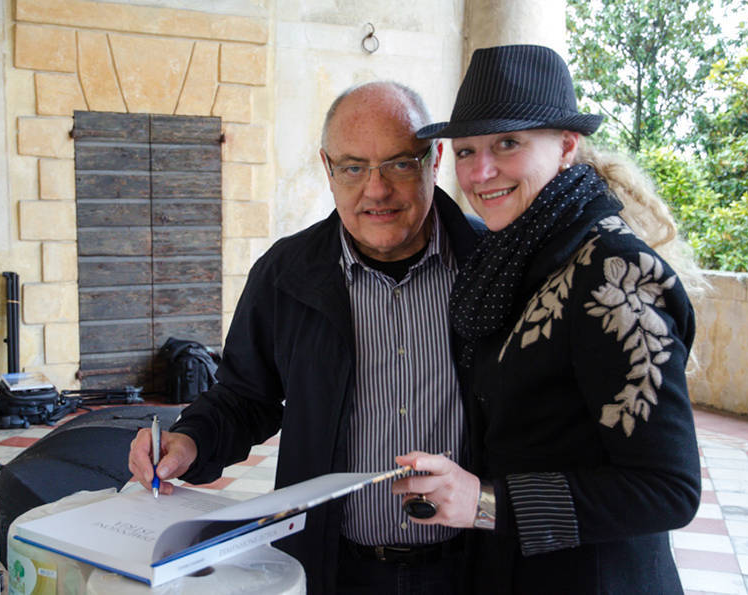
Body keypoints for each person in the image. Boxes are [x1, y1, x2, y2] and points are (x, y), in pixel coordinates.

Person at [129, 81, 485, 594]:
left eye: (399, 163)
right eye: (353, 167)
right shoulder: (285, 274)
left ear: (435, 160)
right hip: (330, 569)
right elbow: (243, 397)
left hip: (474, 569)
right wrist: (189, 441)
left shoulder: (492, 265)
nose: (377, 190)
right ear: (328, 168)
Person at [391, 44, 703, 594]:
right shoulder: (511, 255)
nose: (480, 172)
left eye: (507, 143)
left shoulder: (614, 271)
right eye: (465, 151)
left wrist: (484, 502)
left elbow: (668, 488)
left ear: (566, 145)